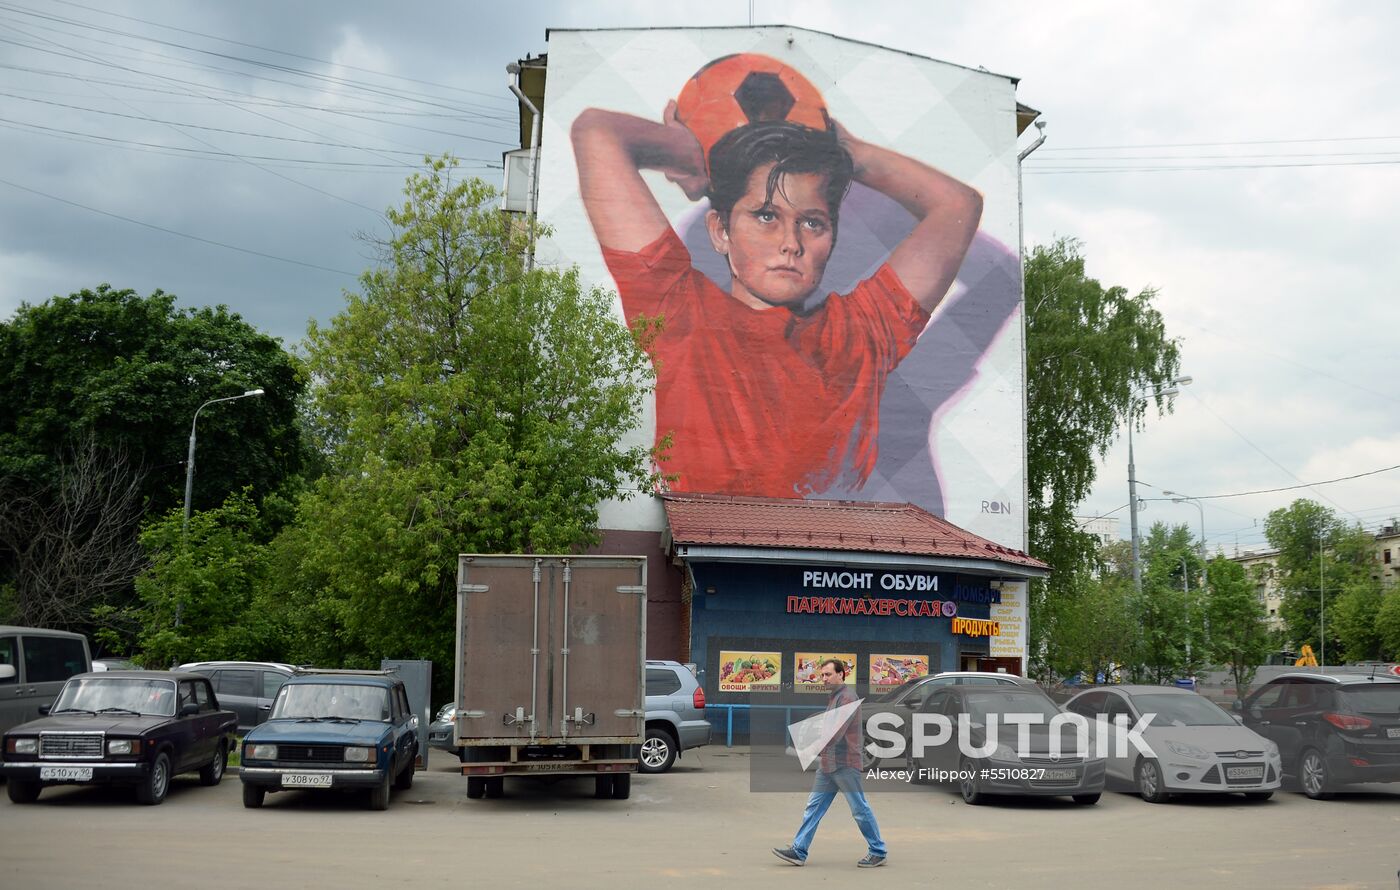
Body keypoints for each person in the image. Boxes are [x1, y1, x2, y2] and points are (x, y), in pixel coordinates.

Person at [571, 57, 981, 498]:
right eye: (766, 216)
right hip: (706, 553)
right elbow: (596, 131)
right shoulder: (678, 312)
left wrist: (850, 153)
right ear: (720, 231)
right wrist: (696, 152)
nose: (791, 242)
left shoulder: (862, 333)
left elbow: (958, 207)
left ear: (832, 238)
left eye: (812, 223)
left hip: (833, 559)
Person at [773, 658, 887, 868]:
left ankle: (878, 850)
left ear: (841, 674)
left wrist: (810, 748)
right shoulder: (835, 697)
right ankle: (799, 851)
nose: (823, 678)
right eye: (822, 675)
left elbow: (836, 732)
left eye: (828, 674)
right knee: (813, 808)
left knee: (859, 809)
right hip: (828, 764)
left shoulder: (847, 698)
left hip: (845, 764)